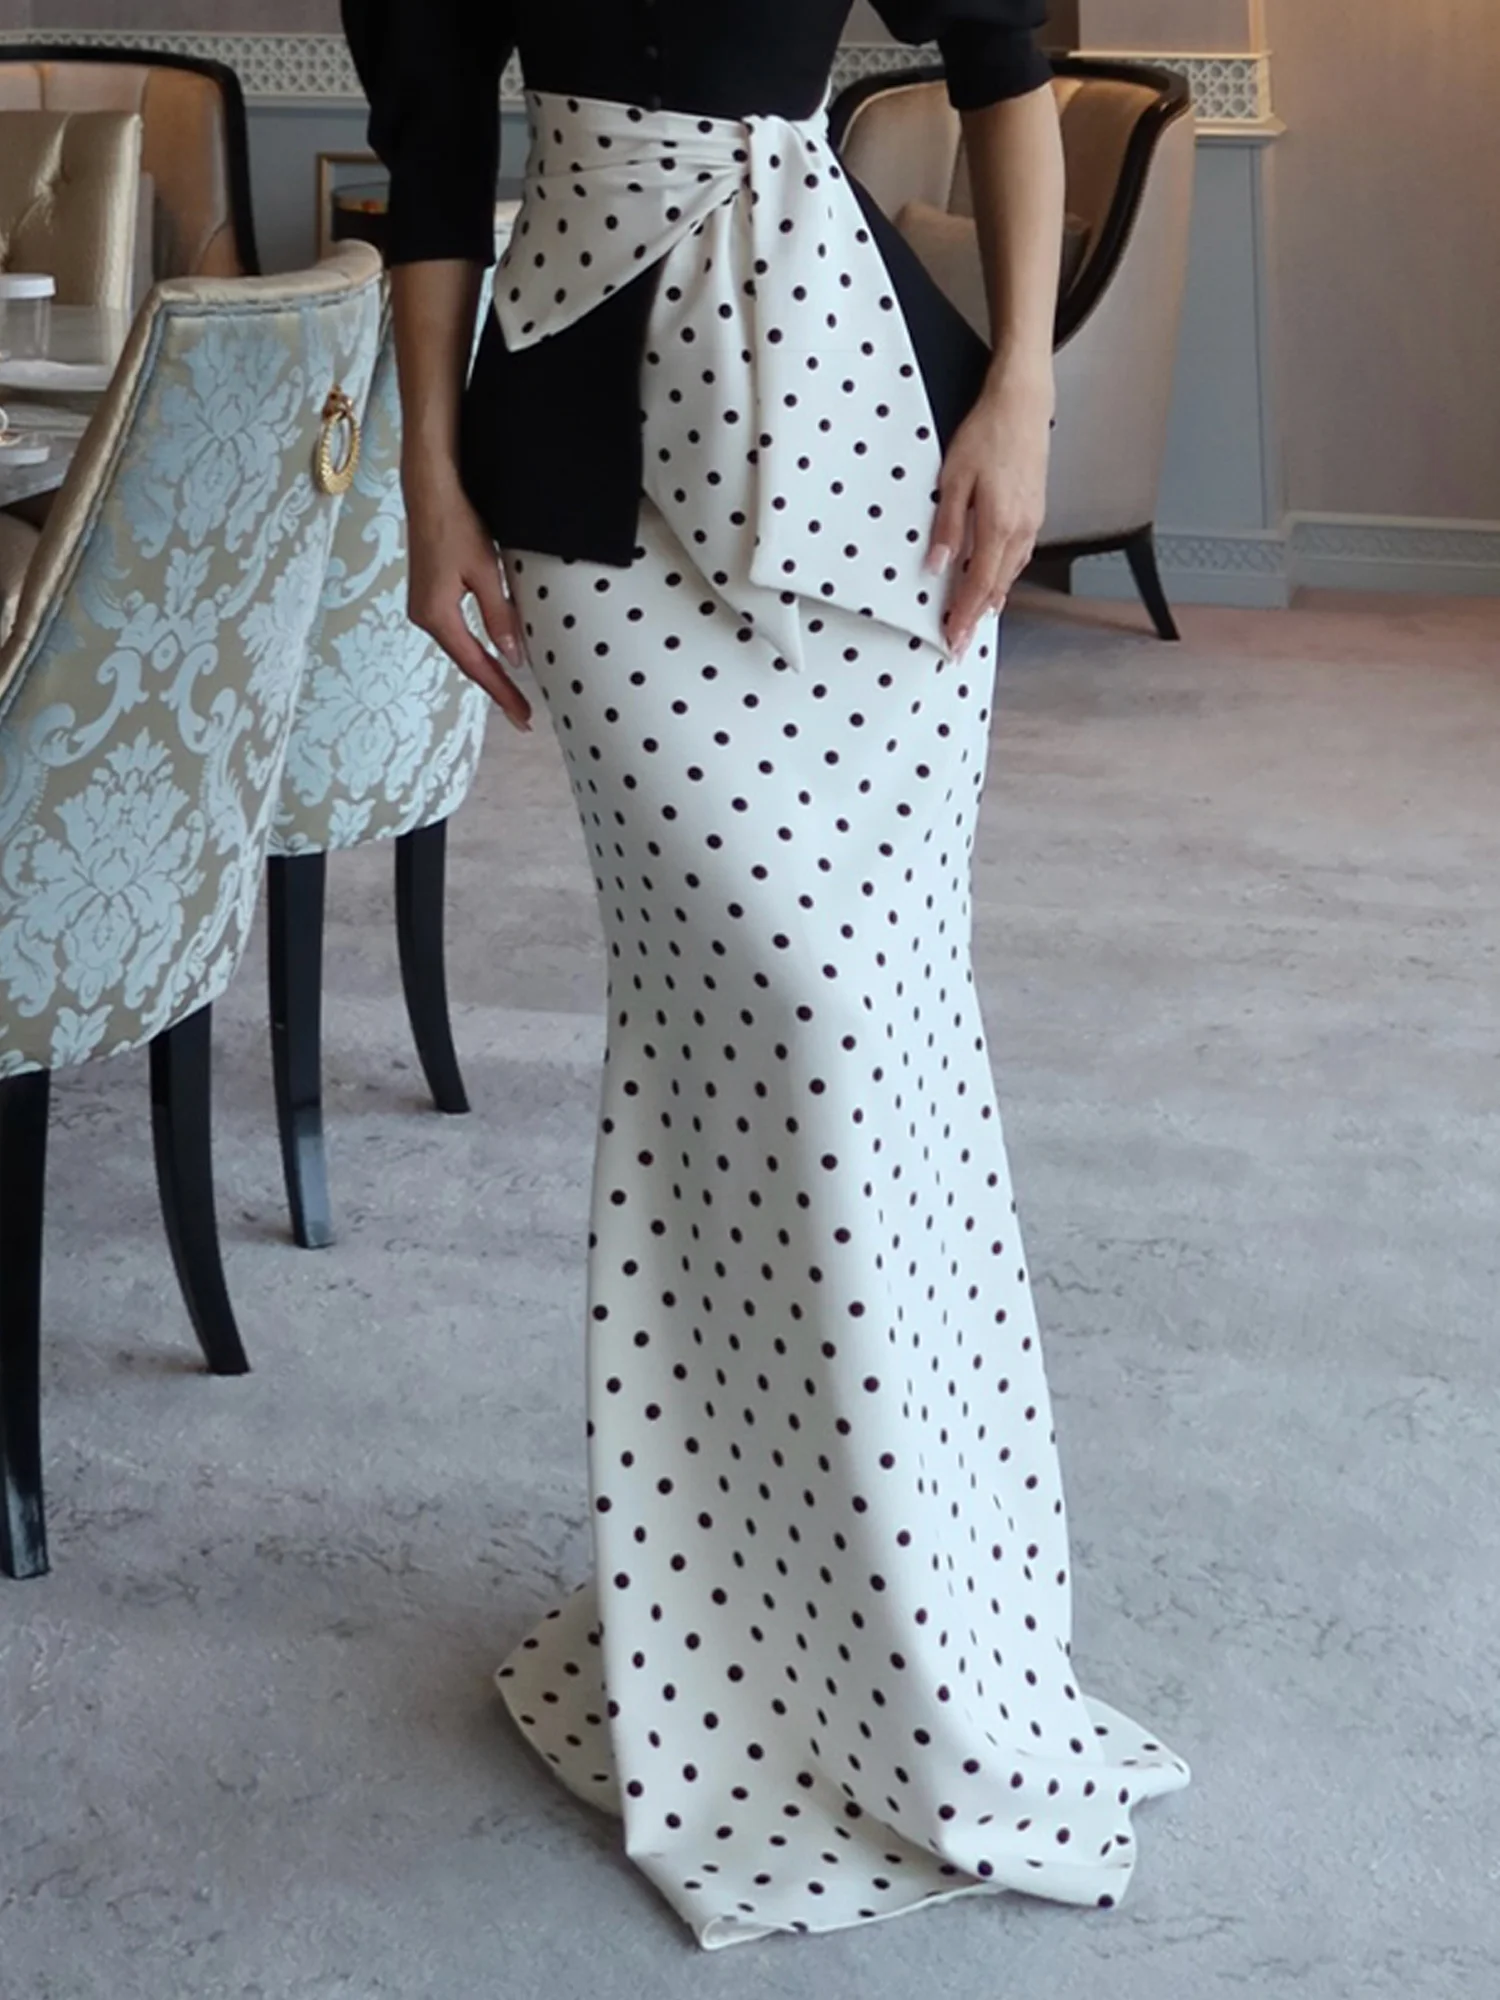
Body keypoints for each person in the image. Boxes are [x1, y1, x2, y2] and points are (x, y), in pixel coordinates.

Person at [341, 0, 1191, 1952]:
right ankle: (737, 1632)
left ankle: (930, 1636)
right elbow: (436, 167)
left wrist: (1025, 398)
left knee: (883, 1034)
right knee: (747, 1038)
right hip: (587, 464)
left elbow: (1003, 67)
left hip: (869, 430)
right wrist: (429, 480)